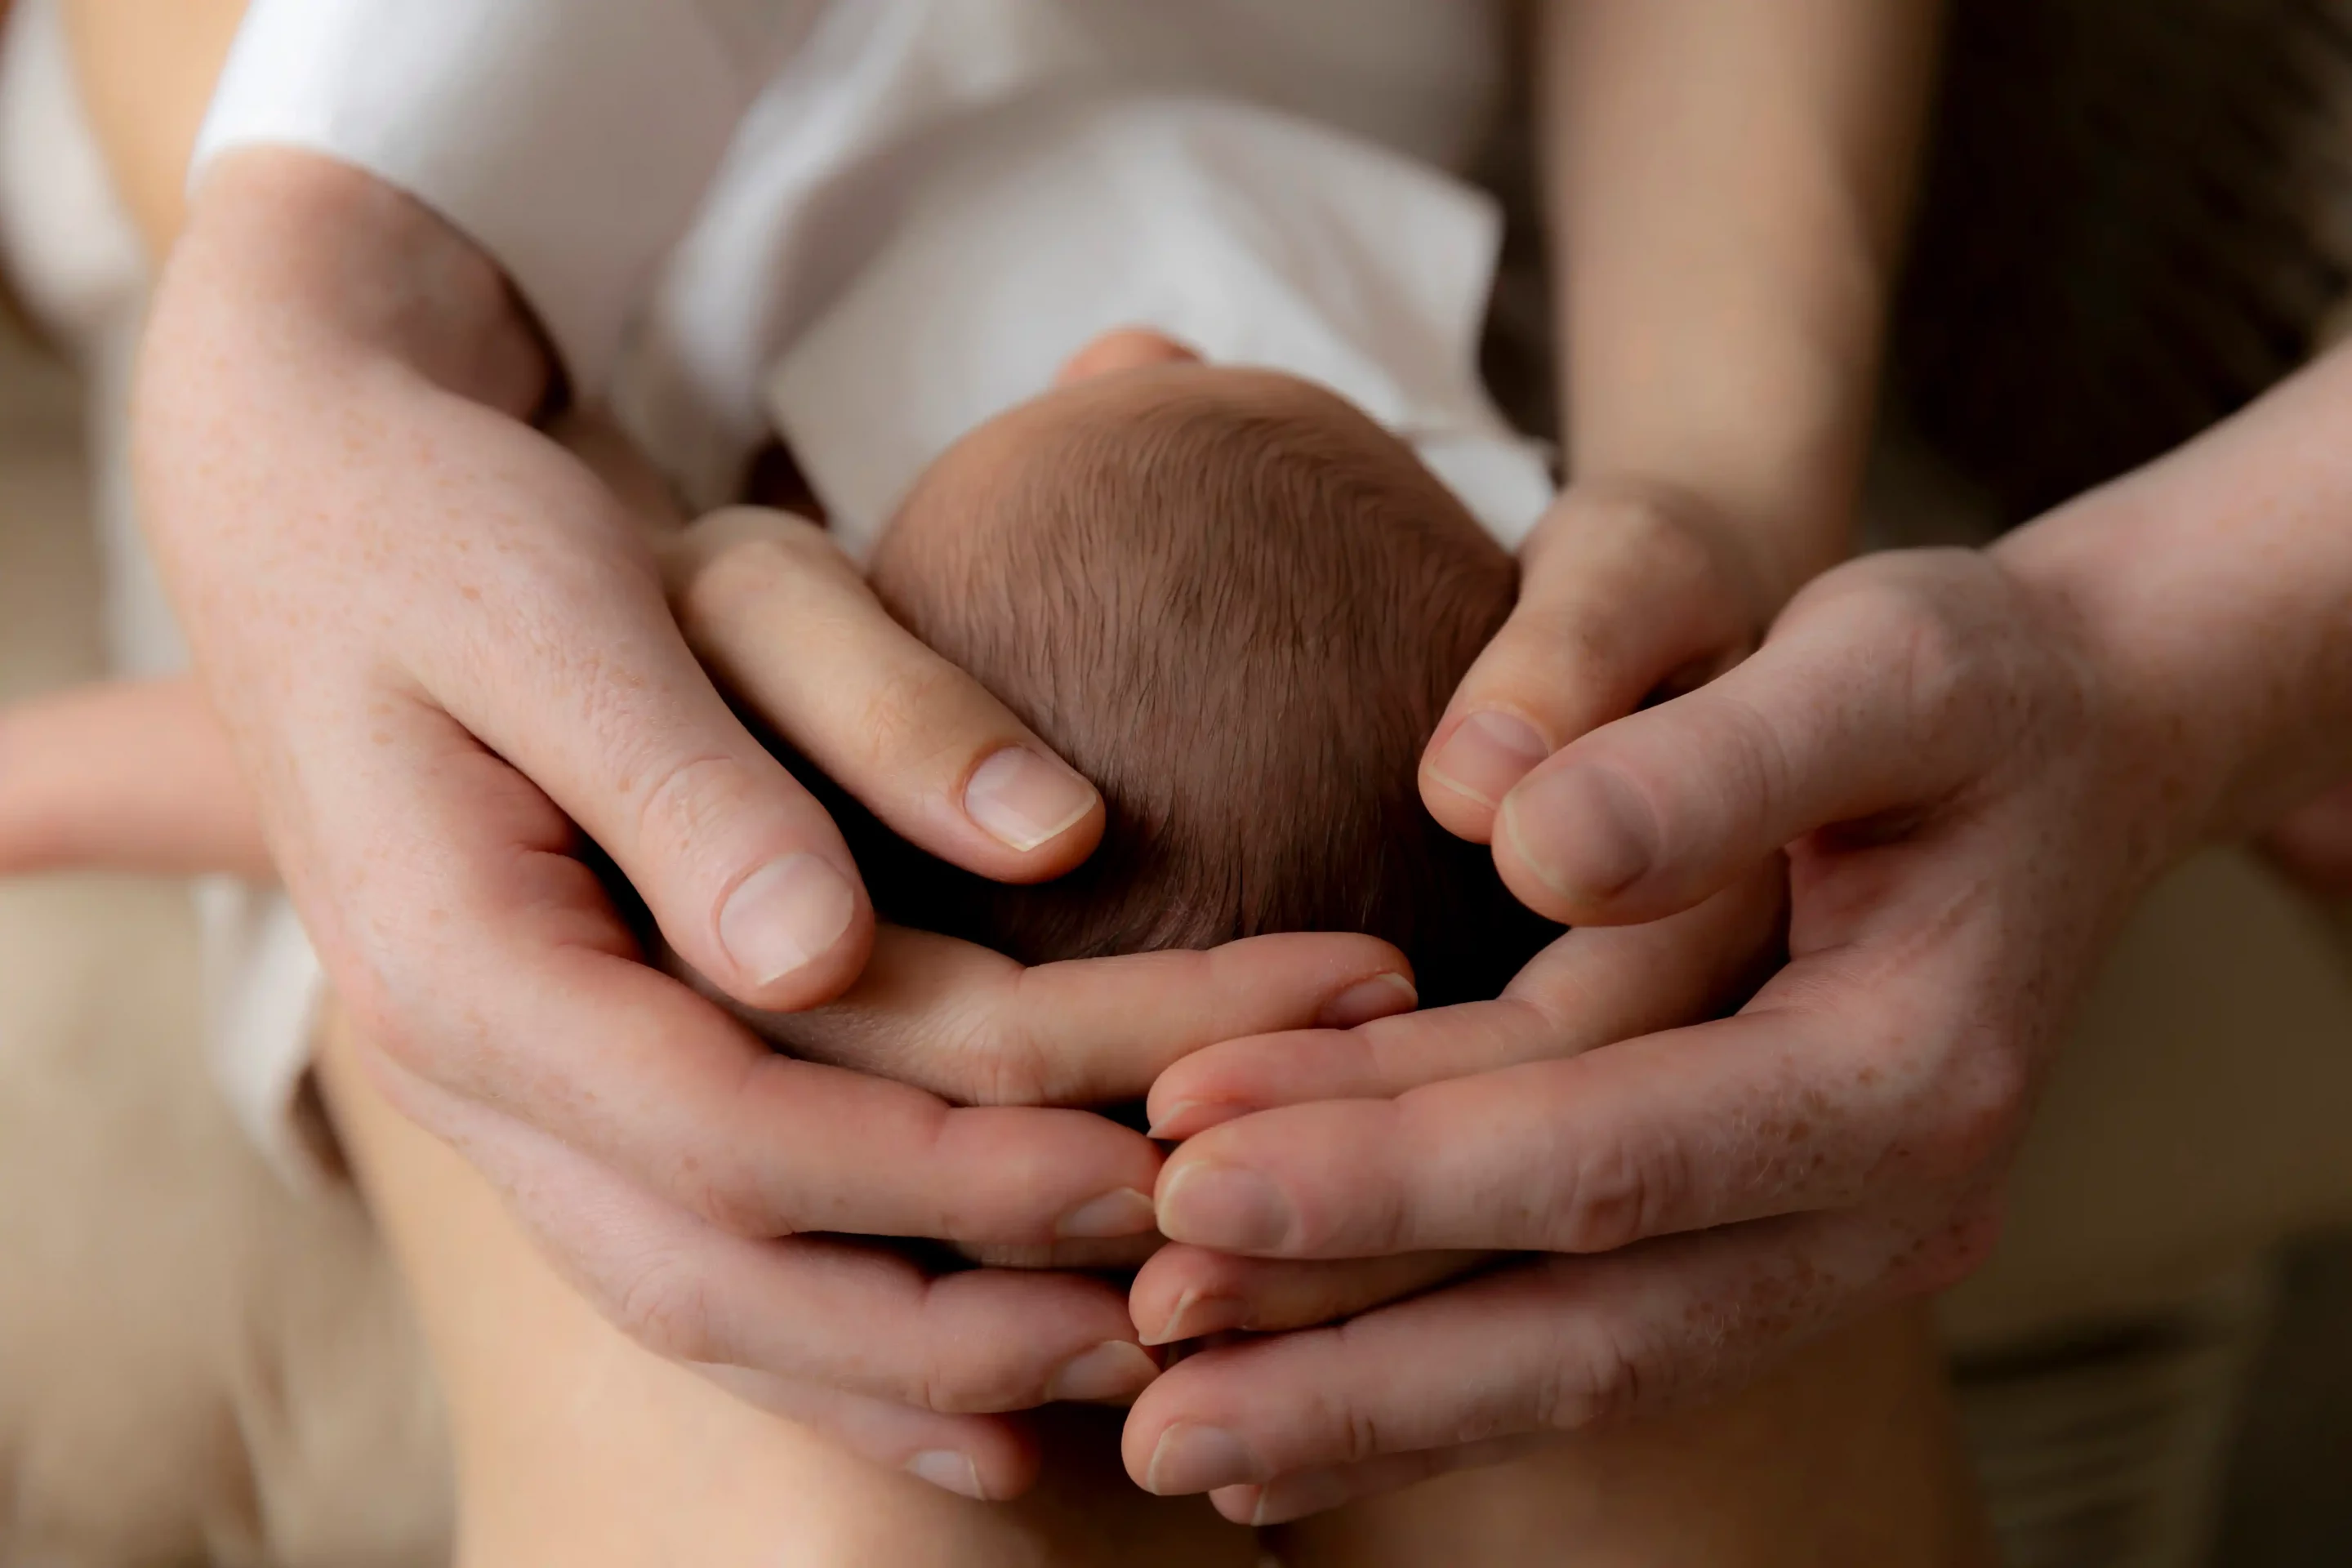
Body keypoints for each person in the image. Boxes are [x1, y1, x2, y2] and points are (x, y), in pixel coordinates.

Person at [97, 0, 1944, 1508]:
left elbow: (228, 771)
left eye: (1127, 371)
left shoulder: (780, 689)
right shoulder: (1429, 524)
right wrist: (328, 281)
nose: (1130, 336)